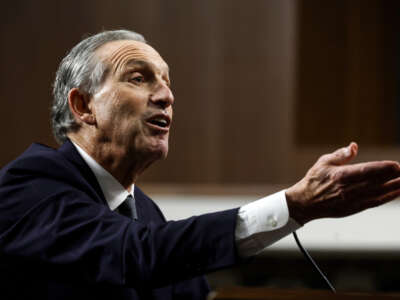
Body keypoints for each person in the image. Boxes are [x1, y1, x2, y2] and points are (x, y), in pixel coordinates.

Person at [0, 30, 399, 300]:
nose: (166, 95)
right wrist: (294, 206)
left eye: (167, 82)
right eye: (138, 78)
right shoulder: (29, 186)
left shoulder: (147, 215)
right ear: (83, 106)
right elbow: (138, 256)